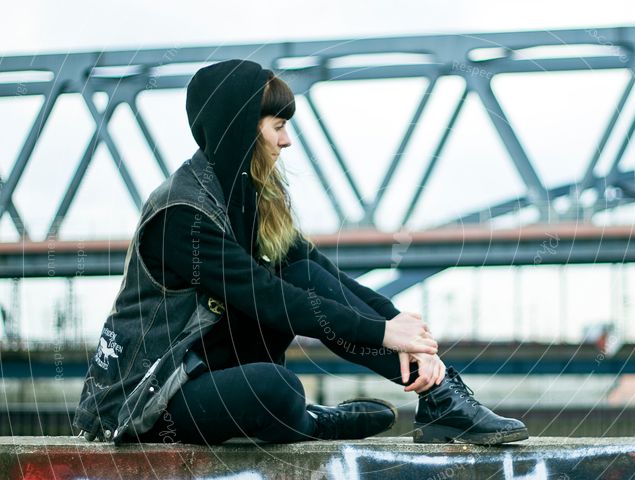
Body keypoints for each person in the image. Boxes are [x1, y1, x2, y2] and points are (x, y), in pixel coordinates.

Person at [72, 59, 528, 446]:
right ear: (241, 130)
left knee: (306, 272)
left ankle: (441, 399)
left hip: (207, 368)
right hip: (147, 399)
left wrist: (416, 345)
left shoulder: (250, 199)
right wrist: (383, 332)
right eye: (277, 127)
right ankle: (310, 420)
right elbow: (267, 297)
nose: (286, 141)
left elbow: (323, 276)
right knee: (275, 388)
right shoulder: (181, 213)